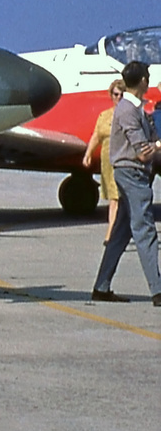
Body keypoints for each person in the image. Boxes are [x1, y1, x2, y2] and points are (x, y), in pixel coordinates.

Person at [91, 61, 161, 306]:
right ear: (142, 80)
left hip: (131, 172)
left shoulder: (137, 109)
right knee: (145, 228)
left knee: (121, 231)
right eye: (148, 76)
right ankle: (158, 291)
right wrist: (158, 146)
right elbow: (143, 151)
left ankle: (101, 286)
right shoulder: (129, 111)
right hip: (132, 173)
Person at [85, 79, 126, 242]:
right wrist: (88, 154)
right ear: (111, 95)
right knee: (113, 198)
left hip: (123, 161)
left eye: (122, 95)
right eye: (116, 94)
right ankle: (118, 230)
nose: (119, 98)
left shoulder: (130, 115)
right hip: (107, 163)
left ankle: (111, 233)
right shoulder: (104, 115)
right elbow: (97, 135)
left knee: (116, 199)